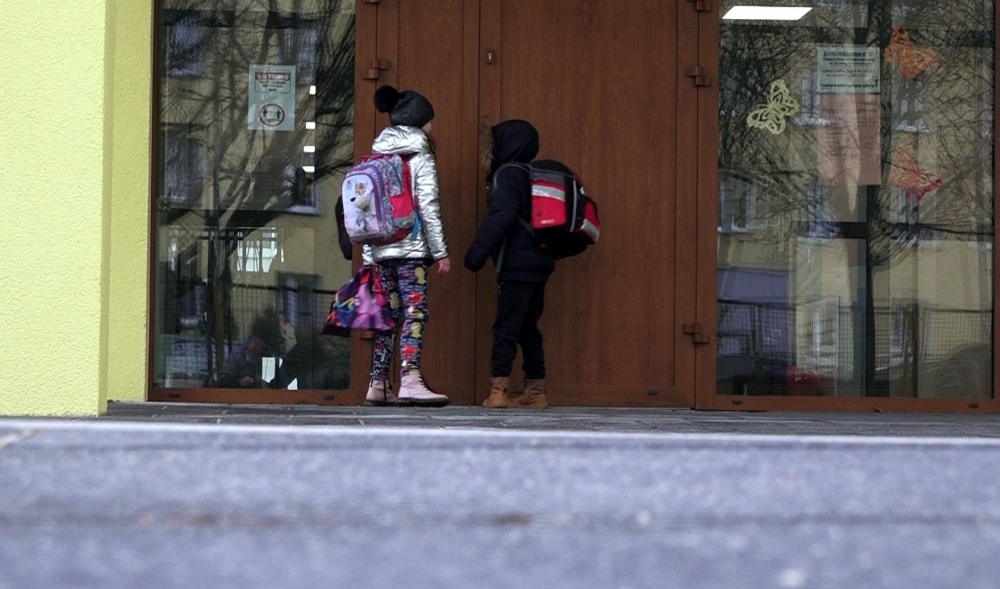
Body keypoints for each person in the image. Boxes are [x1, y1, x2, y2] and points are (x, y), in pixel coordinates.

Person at [362, 85, 451, 407]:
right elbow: (428, 206)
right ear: (418, 122)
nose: (432, 126)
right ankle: (411, 380)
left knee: (389, 316)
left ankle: (378, 383)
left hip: (382, 250)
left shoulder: (378, 156)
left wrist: (369, 256)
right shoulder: (419, 155)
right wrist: (440, 252)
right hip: (411, 252)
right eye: (430, 121)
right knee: (415, 312)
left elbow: (366, 209)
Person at [464, 119, 554, 409]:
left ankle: (498, 391)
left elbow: (501, 215)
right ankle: (536, 392)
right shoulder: (533, 175)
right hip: (540, 262)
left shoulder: (508, 174)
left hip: (515, 265)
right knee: (528, 328)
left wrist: (476, 255)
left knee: (506, 327)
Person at [219, 336, 290, 389]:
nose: (257, 361)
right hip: (243, 400)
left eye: (260, 356)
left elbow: (284, 386)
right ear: (248, 352)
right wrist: (240, 383)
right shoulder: (236, 360)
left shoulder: (273, 362)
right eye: (253, 357)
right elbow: (223, 382)